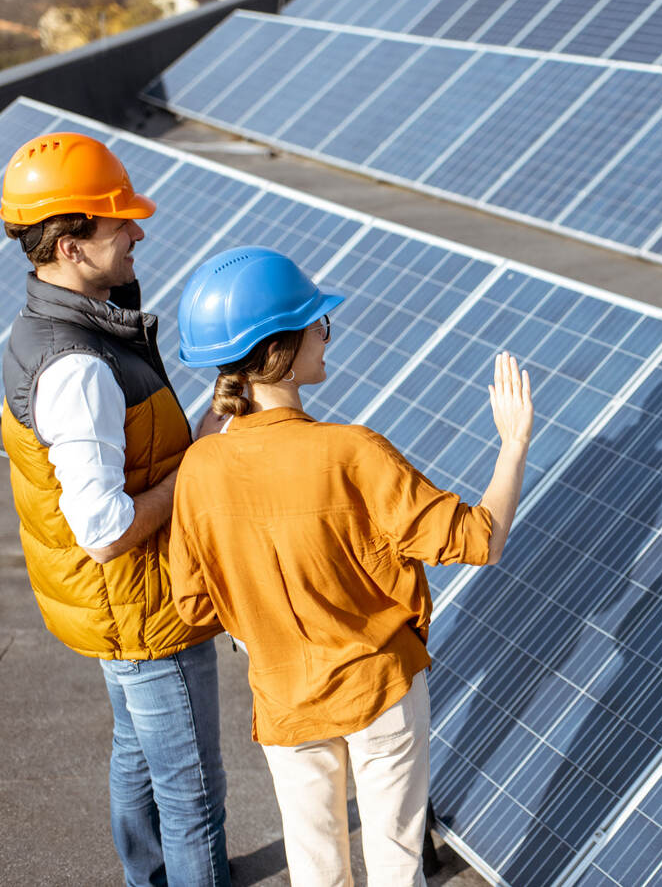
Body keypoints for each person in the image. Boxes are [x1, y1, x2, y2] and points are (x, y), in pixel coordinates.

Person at [168, 246, 533, 886]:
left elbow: (195, 606)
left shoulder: (198, 470)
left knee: (317, 873)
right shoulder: (351, 451)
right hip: (381, 689)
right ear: (278, 347)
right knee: (396, 866)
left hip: (283, 701)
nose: (325, 333)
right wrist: (514, 444)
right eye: (318, 323)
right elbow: (482, 539)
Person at [0, 133, 230, 885]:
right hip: (141, 609)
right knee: (194, 798)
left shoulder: (49, 326)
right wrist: (198, 471)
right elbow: (104, 531)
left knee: (138, 753)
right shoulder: (76, 367)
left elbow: (125, 457)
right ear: (70, 246)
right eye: (118, 222)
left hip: (116, 611)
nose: (137, 232)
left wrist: (205, 429)